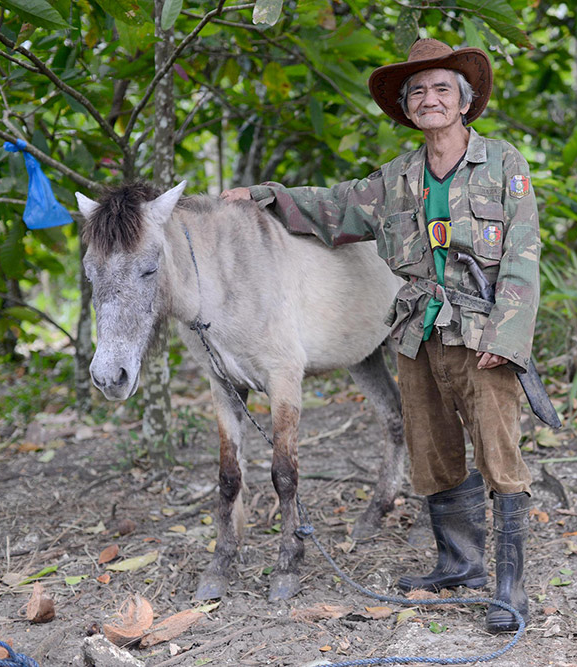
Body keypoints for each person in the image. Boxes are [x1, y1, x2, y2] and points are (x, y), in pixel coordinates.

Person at [224, 38, 541, 633]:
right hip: (416, 331)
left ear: (465, 101)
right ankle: (458, 563)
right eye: (417, 91)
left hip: (481, 330)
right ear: (407, 108)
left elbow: (523, 253)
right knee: (432, 451)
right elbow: (335, 207)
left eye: (442, 87)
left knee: (499, 455)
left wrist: (510, 333)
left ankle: (510, 586)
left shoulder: (503, 164)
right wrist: (264, 196)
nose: (430, 99)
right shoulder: (397, 178)